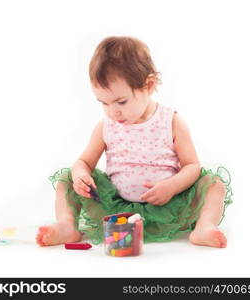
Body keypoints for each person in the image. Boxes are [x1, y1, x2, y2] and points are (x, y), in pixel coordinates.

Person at [36, 36, 232, 248]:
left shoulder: (171, 121)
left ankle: (204, 226)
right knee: (66, 179)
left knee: (213, 183)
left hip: (169, 205)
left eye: (121, 101)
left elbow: (192, 166)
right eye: (104, 103)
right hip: (116, 208)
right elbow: (84, 161)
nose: (113, 111)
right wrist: (80, 176)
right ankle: (67, 225)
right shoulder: (106, 126)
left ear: (149, 85)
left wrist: (172, 186)